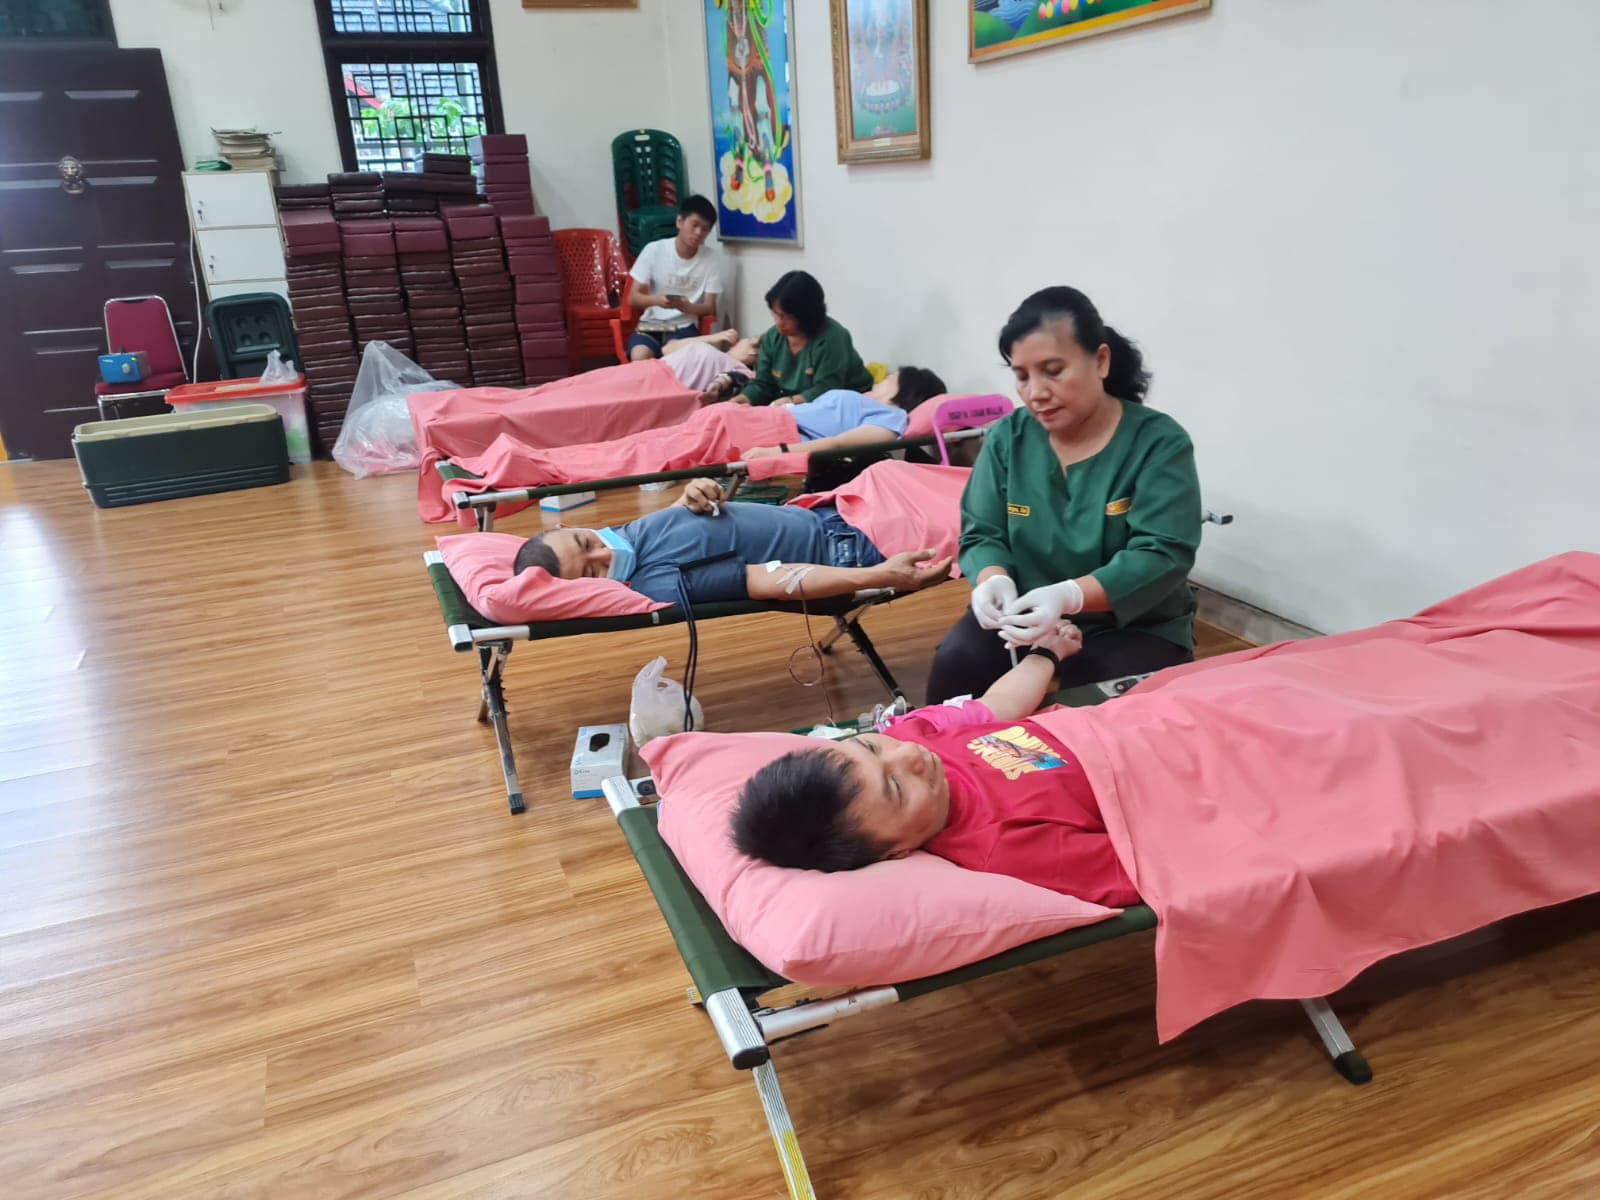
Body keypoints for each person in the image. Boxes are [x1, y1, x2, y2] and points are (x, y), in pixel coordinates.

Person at [730, 620, 1140, 907]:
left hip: (1132, 716)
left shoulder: (909, 732)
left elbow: (998, 705)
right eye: (895, 788)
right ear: (896, 853)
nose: (909, 755)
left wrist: (1046, 653)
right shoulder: (1005, 849)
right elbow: (1152, 862)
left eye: (870, 746)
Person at [926, 286, 1202, 704]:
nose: (1035, 392)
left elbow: (1162, 553)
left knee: (1091, 702)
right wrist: (992, 579)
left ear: (1101, 361)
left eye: (1053, 371)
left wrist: (1068, 596)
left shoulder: (1157, 443)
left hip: (1129, 624)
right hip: (1023, 616)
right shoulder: (1008, 438)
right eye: (1022, 376)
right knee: (959, 662)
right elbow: (982, 532)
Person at [513, 476, 950, 605]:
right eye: (594, 571)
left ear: (574, 527)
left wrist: (692, 494)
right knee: (968, 516)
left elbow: (677, 529)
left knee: (901, 473)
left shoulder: (624, 536)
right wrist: (879, 576)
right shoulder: (657, 584)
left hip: (834, 507)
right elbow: (771, 580)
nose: (605, 552)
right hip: (852, 547)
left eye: (586, 542)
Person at [706, 271, 873, 406]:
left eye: (787, 317)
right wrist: (739, 401)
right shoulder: (773, 338)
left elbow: (827, 389)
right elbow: (763, 385)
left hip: (845, 401)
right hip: (793, 403)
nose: (779, 323)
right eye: (775, 315)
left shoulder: (832, 338)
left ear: (806, 315)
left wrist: (792, 402)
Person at [739, 365, 946, 459]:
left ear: (907, 389)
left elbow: (838, 445)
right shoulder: (867, 401)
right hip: (764, 418)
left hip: (777, 435)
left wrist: (777, 452)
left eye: (893, 377)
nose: (887, 376)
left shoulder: (893, 418)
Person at [626, 195, 724, 361]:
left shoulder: (710, 259)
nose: (698, 233)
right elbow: (633, 298)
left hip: (684, 327)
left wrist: (687, 307)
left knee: (675, 356)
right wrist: (658, 300)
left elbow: (709, 308)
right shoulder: (654, 250)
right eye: (694, 225)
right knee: (639, 355)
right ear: (680, 221)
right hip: (652, 324)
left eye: (705, 229)